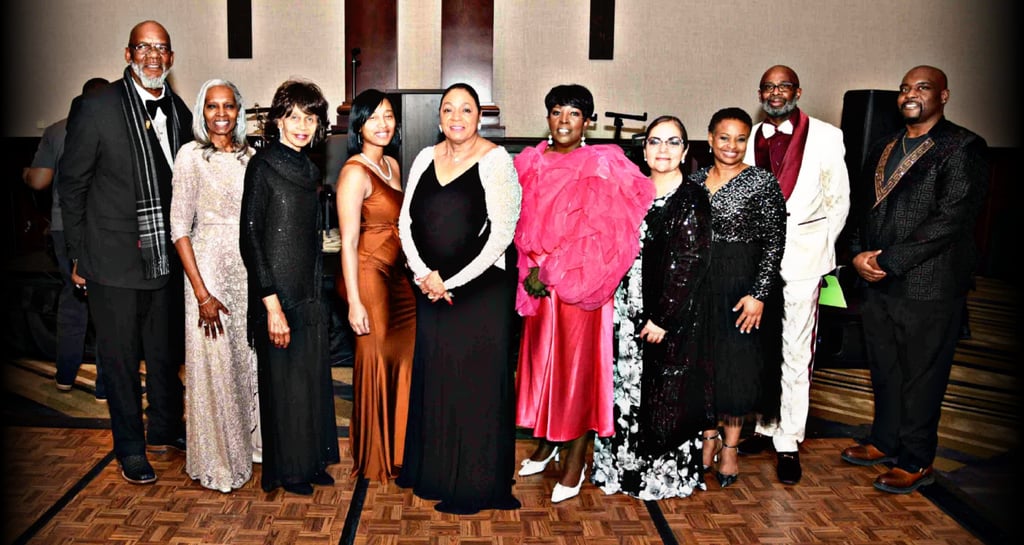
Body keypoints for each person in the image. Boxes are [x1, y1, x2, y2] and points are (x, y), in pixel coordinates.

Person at [840, 66, 989, 494]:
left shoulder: (962, 147)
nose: (911, 94)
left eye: (922, 88)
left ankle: (916, 459)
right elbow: (861, 207)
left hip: (930, 284)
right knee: (884, 368)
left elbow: (952, 219)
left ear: (943, 95)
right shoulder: (885, 144)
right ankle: (885, 442)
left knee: (923, 375)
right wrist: (855, 255)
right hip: (876, 280)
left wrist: (891, 259)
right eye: (905, 88)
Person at [59, 20, 190, 485]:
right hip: (111, 260)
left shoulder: (178, 110)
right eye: (144, 47)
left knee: (163, 352)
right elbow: (71, 183)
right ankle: (130, 448)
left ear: (171, 59)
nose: (153, 56)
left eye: (162, 49)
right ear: (128, 54)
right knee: (118, 360)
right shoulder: (96, 108)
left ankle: (166, 428)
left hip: (164, 260)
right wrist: (77, 252)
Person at [514, 84, 654, 503]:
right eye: (556, 112)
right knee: (542, 366)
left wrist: (553, 269)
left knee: (577, 370)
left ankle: (576, 458)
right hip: (537, 281)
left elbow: (606, 233)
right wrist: (532, 268)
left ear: (587, 121)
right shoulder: (530, 161)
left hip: (581, 281)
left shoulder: (601, 164)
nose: (563, 121)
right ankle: (549, 440)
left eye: (573, 114)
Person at [395, 82, 522, 514]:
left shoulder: (496, 160)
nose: (456, 116)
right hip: (432, 292)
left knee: (476, 390)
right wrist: (422, 274)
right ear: (438, 117)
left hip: (481, 294)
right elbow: (404, 222)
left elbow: (502, 235)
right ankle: (434, 473)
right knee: (439, 383)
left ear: (478, 116)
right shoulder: (424, 158)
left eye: (465, 109)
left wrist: (452, 281)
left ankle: (474, 486)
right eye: (448, 109)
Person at [735, 65, 851, 485]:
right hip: (755, 267)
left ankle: (788, 440)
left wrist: (817, 252)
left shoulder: (825, 136)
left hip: (803, 263)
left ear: (798, 90)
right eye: (768, 86)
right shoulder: (747, 137)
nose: (776, 92)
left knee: (796, 353)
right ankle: (765, 426)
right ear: (760, 92)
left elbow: (838, 203)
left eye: (784, 85)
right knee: (761, 349)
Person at [591, 115, 715, 500]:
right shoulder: (632, 190)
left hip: (666, 316)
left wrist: (663, 317)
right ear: (644, 149)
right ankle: (619, 470)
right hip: (623, 307)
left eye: (673, 142)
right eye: (655, 142)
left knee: (664, 395)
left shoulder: (691, 198)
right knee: (624, 389)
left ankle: (658, 477)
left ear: (685, 151)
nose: (663, 150)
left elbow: (691, 262)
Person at [240, 79, 340, 496]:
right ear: (278, 120)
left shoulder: (310, 168)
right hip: (276, 295)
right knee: (284, 387)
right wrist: (271, 306)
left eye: (311, 117)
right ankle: (289, 470)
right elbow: (251, 238)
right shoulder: (262, 166)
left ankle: (312, 460)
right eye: (294, 116)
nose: (302, 125)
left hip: (309, 291)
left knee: (311, 381)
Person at [169, 79, 260, 493]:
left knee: (245, 364)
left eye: (228, 106)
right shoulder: (190, 156)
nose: (220, 114)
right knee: (217, 366)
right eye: (211, 106)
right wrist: (201, 292)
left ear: (239, 112)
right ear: (201, 112)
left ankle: (249, 445)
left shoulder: (250, 156)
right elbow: (178, 229)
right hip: (207, 273)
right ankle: (220, 460)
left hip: (246, 273)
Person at [691, 107, 786, 488]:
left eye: (741, 138)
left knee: (736, 369)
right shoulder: (694, 180)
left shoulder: (762, 182)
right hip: (700, 286)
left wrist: (759, 293)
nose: (732, 146)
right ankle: (707, 436)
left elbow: (774, 241)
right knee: (705, 364)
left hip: (742, 286)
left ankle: (730, 448)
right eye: (724, 137)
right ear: (710, 137)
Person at [335, 88, 415, 484]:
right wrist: (354, 301)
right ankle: (375, 455)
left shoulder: (393, 167)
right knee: (375, 362)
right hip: (368, 277)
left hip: (398, 278)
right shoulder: (354, 171)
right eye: (373, 117)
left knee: (404, 360)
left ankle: (400, 450)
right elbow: (347, 242)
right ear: (358, 125)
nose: (383, 124)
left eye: (388, 116)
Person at [23, 76, 109, 399]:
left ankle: (65, 375)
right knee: (107, 306)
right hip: (103, 228)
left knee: (72, 300)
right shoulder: (116, 127)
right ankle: (105, 385)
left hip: (63, 226)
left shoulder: (57, 130)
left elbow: (41, 182)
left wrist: (26, 174)